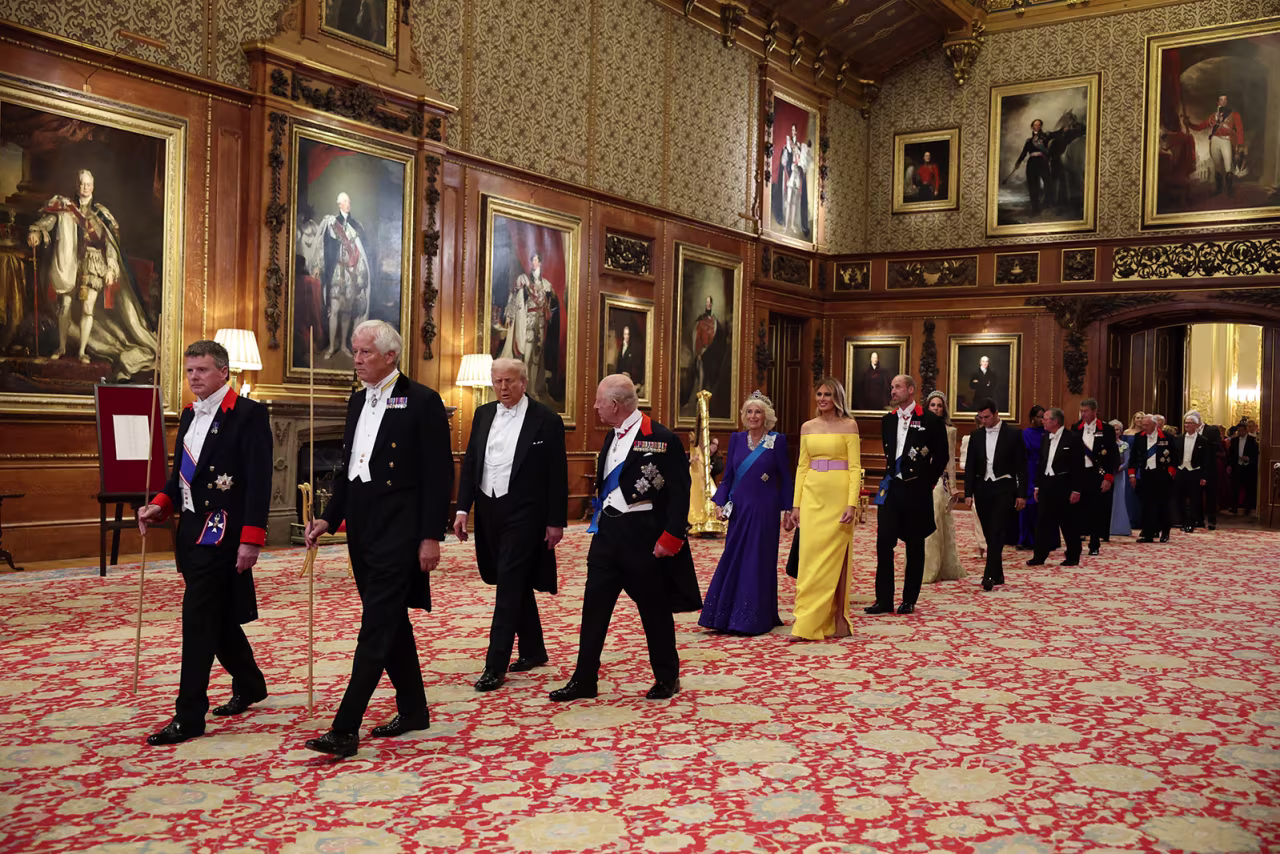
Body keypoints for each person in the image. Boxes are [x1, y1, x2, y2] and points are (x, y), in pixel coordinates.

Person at [302, 320, 453, 757]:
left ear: (391, 356)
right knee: (389, 621)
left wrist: (430, 537)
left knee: (375, 626)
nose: (357, 360)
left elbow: (438, 476)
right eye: (354, 351)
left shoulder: (423, 401)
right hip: (363, 527)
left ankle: (346, 727)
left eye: (365, 352)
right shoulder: (355, 402)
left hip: (402, 528)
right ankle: (414, 709)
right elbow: (348, 467)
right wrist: (329, 519)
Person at [136, 339, 272, 745]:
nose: (194, 377)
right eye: (190, 370)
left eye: (202, 370)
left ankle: (189, 715)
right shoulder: (190, 414)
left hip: (224, 533)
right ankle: (250, 683)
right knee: (219, 617)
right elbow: (181, 478)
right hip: (191, 533)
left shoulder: (247, 415)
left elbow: (259, 482)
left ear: (223, 373)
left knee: (197, 621)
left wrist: (252, 539)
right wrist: (158, 505)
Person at [550, 375, 701, 702]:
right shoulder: (611, 437)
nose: (594, 406)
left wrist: (673, 536)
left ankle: (667, 677)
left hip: (644, 538)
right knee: (594, 610)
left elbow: (679, 492)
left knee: (653, 610)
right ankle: (584, 679)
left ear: (615, 405)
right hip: (607, 536)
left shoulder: (661, 438)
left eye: (599, 401)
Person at [454, 358, 568, 691]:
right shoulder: (483, 414)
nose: (503, 388)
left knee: (508, 585)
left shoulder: (546, 419)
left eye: (509, 382)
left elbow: (557, 475)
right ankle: (533, 649)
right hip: (489, 508)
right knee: (505, 576)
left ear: (524, 382)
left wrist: (555, 521)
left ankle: (495, 664)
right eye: (498, 381)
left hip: (526, 513)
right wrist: (463, 509)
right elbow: (472, 461)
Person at [27, 168, 155, 372]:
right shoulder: (65, 208)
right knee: (65, 306)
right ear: (76, 185)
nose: (84, 188)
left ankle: (82, 351)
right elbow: (47, 222)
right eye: (81, 184)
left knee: (88, 309)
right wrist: (36, 232)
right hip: (70, 261)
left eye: (88, 184)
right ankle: (61, 347)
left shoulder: (102, 213)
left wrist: (111, 268)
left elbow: (110, 244)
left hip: (94, 264)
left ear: (93, 187)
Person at [699, 392, 792, 635]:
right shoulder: (737, 439)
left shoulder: (777, 440)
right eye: (749, 412)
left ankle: (755, 618)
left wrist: (789, 510)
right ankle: (724, 615)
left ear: (766, 416)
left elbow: (785, 477)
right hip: (739, 509)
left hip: (765, 510)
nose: (753, 416)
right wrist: (720, 503)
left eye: (758, 412)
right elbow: (728, 476)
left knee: (757, 559)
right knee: (735, 556)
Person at [869, 374, 948, 614]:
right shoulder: (888, 420)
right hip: (892, 489)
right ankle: (884, 600)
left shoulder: (930, 421)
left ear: (911, 390)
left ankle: (909, 599)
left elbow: (941, 456)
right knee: (884, 544)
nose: (893, 391)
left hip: (916, 490)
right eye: (891, 387)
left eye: (898, 387)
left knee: (914, 544)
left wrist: (927, 481)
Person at [791, 378, 862, 638]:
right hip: (812, 495)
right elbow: (801, 467)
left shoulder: (849, 425)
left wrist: (851, 504)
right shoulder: (807, 427)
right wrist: (796, 504)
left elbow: (855, 468)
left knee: (834, 561)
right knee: (809, 561)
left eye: (828, 394)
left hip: (838, 496)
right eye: (819, 393)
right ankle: (805, 621)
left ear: (837, 398)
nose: (822, 398)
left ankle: (833, 620)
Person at [964, 398, 1027, 591]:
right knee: (990, 533)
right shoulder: (975, 436)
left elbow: (1022, 467)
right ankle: (998, 573)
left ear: (996, 413)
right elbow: (970, 467)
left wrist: (1022, 494)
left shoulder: (1014, 434)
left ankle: (988, 575)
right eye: (981, 417)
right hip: (982, 488)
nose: (984, 421)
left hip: (1004, 488)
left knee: (998, 530)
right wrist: (968, 493)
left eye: (987, 417)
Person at [1026, 408, 1085, 567]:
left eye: (1045, 419)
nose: (1042, 421)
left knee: (1068, 523)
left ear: (1055, 421)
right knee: (1042, 523)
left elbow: (1078, 467)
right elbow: (1042, 464)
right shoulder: (1045, 437)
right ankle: (1039, 556)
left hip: (1065, 487)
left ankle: (1073, 556)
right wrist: (1037, 486)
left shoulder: (1072, 438)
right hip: (1046, 485)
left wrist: (1076, 489)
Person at [499, 252, 559, 402]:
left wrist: (549, 308)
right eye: (532, 260)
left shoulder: (546, 284)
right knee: (527, 354)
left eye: (536, 260)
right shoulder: (523, 280)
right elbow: (514, 299)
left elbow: (553, 306)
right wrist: (510, 315)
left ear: (540, 263)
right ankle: (525, 389)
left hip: (541, 323)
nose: (534, 263)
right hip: (528, 321)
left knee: (537, 357)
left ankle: (532, 388)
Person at [922, 391, 964, 583]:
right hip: (920, 479)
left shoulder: (949, 431)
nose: (936, 409)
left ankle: (933, 567)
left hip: (940, 481)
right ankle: (921, 564)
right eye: (933, 405)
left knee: (937, 522)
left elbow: (950, 462)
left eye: (939, 406)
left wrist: (953, 487)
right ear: (927, 406)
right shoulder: (919, 426)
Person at [1072, 398, 1118, 556]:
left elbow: (1113, 456)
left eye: (1085, 411)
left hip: (1097, 474)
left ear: (1094, 411)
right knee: (1077, 510)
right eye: (1081, 411)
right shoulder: (1075, 428)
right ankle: (1075, 545)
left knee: (1096, 510)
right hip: (1079, 474)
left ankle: (1094, 543)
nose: (1082, 414)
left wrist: (1109, 477)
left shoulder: (1107, 429)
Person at [1128, 414, 1176, 543]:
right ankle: (1148, 533)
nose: (1144, 427)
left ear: (1155, 425)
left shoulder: (1167, 438)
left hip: (1162, 475)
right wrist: (1132, 474)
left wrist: (1171, 473)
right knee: (1147, 505)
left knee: (1163, 505)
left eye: (1146, 425)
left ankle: (1165, 532)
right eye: (1143, 425)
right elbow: (1133, 458)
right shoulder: (1139, 438)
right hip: (1146, 475)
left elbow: (1175, 457)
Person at [1186, 94, 1244, 197]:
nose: (1224, 101)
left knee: (1228, 166)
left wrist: (1239, 145)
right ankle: (1219, 189)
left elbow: (1239, 130)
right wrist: (1189, 124)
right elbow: (1200, 127)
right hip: (1214, 141)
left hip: (1226, 140)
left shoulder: (1234, 115)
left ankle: (1229, 190)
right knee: (1217, 167)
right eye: (1221, 100)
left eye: (1225, 99)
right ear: (1217, 102)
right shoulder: (1213, 117)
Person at [1174, 410, 1211, 533]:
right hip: (1181, 471)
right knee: (1180, 498)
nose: (1187, 425)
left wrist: (1204, 477)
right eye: (1185, 423)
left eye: (1190, 423)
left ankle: (1192, 522)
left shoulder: (1203, 440)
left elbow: (1207, 461)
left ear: (1195, 425)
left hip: (1195, 472)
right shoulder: (1178, 439)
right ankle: (1183, 521)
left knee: (1195, 499)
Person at [1018, 405, 1048, 550]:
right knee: (1028, 504)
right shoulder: (1026, 433)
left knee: (1042, 506)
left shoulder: (1048, 433)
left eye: (1044, 417)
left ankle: (1041, 539)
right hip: (1030, 470)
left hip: (1044, 470)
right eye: (1039, 417)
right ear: (1032, 418)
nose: (1041, 420)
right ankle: (1024, 538)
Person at [1006, 119, 1051, 215]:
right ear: (1032, 127)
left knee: (1047, 183)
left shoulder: (1045, 138)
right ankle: (1035, 208)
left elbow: (1048, 149)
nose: (1037, 126)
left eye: (1039, 125)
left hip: (1042, 162)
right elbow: (1024, 153)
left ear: (1041, 126)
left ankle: (1047, 204)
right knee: (1033, 185)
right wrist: (1018, 162)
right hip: (1032, 163)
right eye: (1035, 125)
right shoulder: (1029, 141)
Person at [959, 414, 987, 560]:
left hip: (993, 482)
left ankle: (991, 544)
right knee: (978, 514)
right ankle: (982, 544)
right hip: (977, 482)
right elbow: (962, 463)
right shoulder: (968, 439)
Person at [1227, 419, 1260, 515]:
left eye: (1242, 430)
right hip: (1237, 466)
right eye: (1239, 430)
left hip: (1248, 467)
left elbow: (1255, 454)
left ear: (1246, 430)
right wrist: (1229, 465)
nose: (1240, 432)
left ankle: (1248, 507)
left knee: (1249, 488)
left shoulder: (1252, 440)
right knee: (1235, 488)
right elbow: (1231, 455)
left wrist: (1248, 458)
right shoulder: (1234, 441)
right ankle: (1234, 507)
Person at [1109, 420, 1134, 537]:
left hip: (1119, 475)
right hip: (1107, 475)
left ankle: (1119, 527)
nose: (1115, 432)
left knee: (1118, 500)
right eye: (1113, 429)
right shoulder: (1105, 444)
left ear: (1121, 431)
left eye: (1117, 429)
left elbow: (1127, 461)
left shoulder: (1124, 445)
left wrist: (1119, 468)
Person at [613, 324, 643, 389]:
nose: (626, 336)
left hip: (629, 380)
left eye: (628, 334)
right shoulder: (621, 347)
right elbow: (619, 363)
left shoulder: (633, 348)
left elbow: (636, 366)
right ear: (623, 335)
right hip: (620, 379)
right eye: (625, 334)